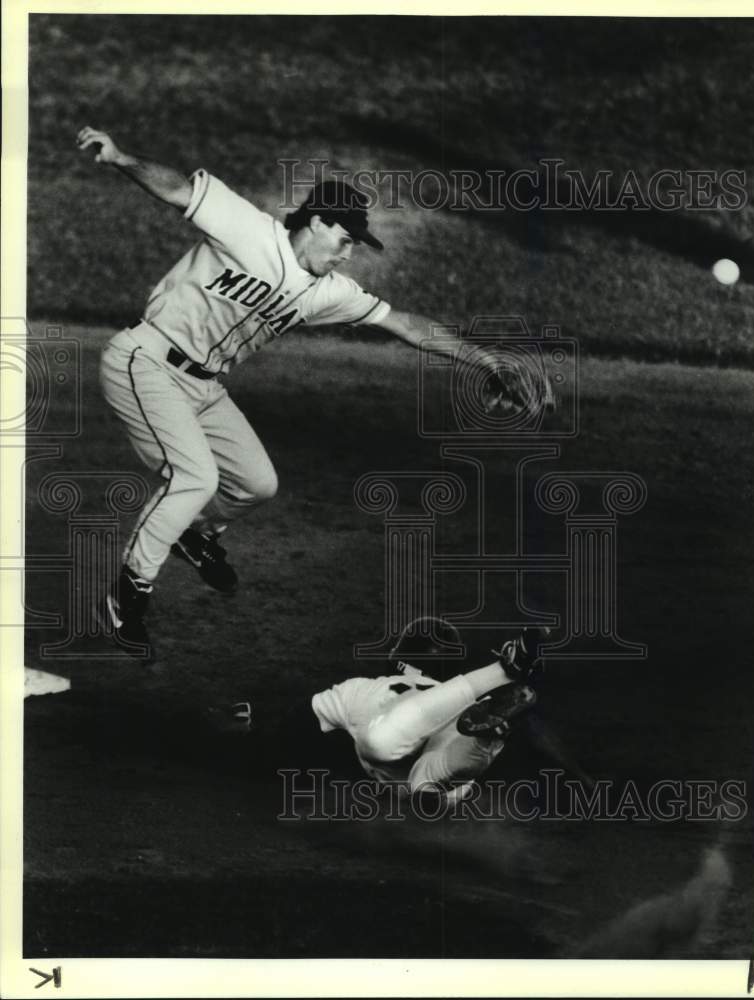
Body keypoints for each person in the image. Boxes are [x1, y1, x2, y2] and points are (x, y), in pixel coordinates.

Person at [76, 127, 516, 662]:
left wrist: (485, 360)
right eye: (347, 239)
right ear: (318, 222)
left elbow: (404, 324)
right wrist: (120, 156)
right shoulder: (249, 231)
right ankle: (127, 595)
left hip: (203, 385)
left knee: (256, 484)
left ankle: (193, 534)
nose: (350, 253)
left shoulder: (326, 292)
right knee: (194, 476)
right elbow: (176, 190)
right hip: (143, 361)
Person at [310, 617, 552, 803]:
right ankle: (486, 738)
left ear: (399, 658)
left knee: (378, 741)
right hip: (447, 778)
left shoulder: (363, 688)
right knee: (438, 775)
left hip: (390, 748)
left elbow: (304, 719)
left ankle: (501, 671)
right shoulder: (464, 703)